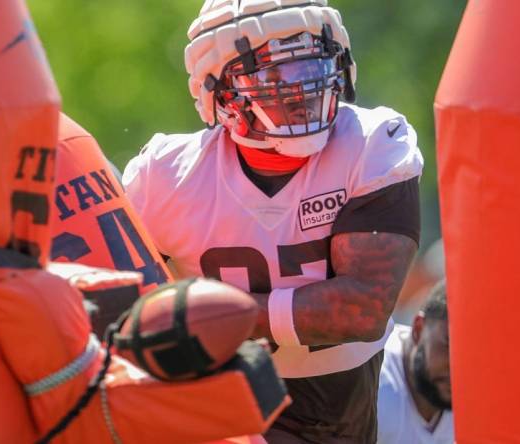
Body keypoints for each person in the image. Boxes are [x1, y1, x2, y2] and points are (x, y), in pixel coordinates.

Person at [123, 0, 423, 441]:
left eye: (312, 66)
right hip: (221, 395)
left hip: (347, 401)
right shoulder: (164, 176)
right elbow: (115, 298)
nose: (301, 89)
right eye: (272, 75)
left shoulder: (372, 144)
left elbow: (363, 307)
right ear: (219, 90)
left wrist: (212, 317)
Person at [377, 280, 453, 444]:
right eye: (449, 345)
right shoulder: (376, 386)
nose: (457, 368)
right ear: (419, 329)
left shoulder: (483, 401)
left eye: (470, 356)